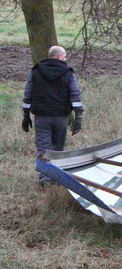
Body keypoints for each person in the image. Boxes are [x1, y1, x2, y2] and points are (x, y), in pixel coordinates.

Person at [21, 45, 83, 186]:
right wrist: (78, 117)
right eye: (65, 56)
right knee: (58, 149)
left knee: (43, 148)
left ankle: (44, 180)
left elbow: (27, 94)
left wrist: (26, 115)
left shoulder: (36, 71)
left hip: (41, 117)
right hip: (61, 117)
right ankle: (56, 178)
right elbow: (75, 95)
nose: (65, 59)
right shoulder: (68, 72)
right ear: (58, 56)